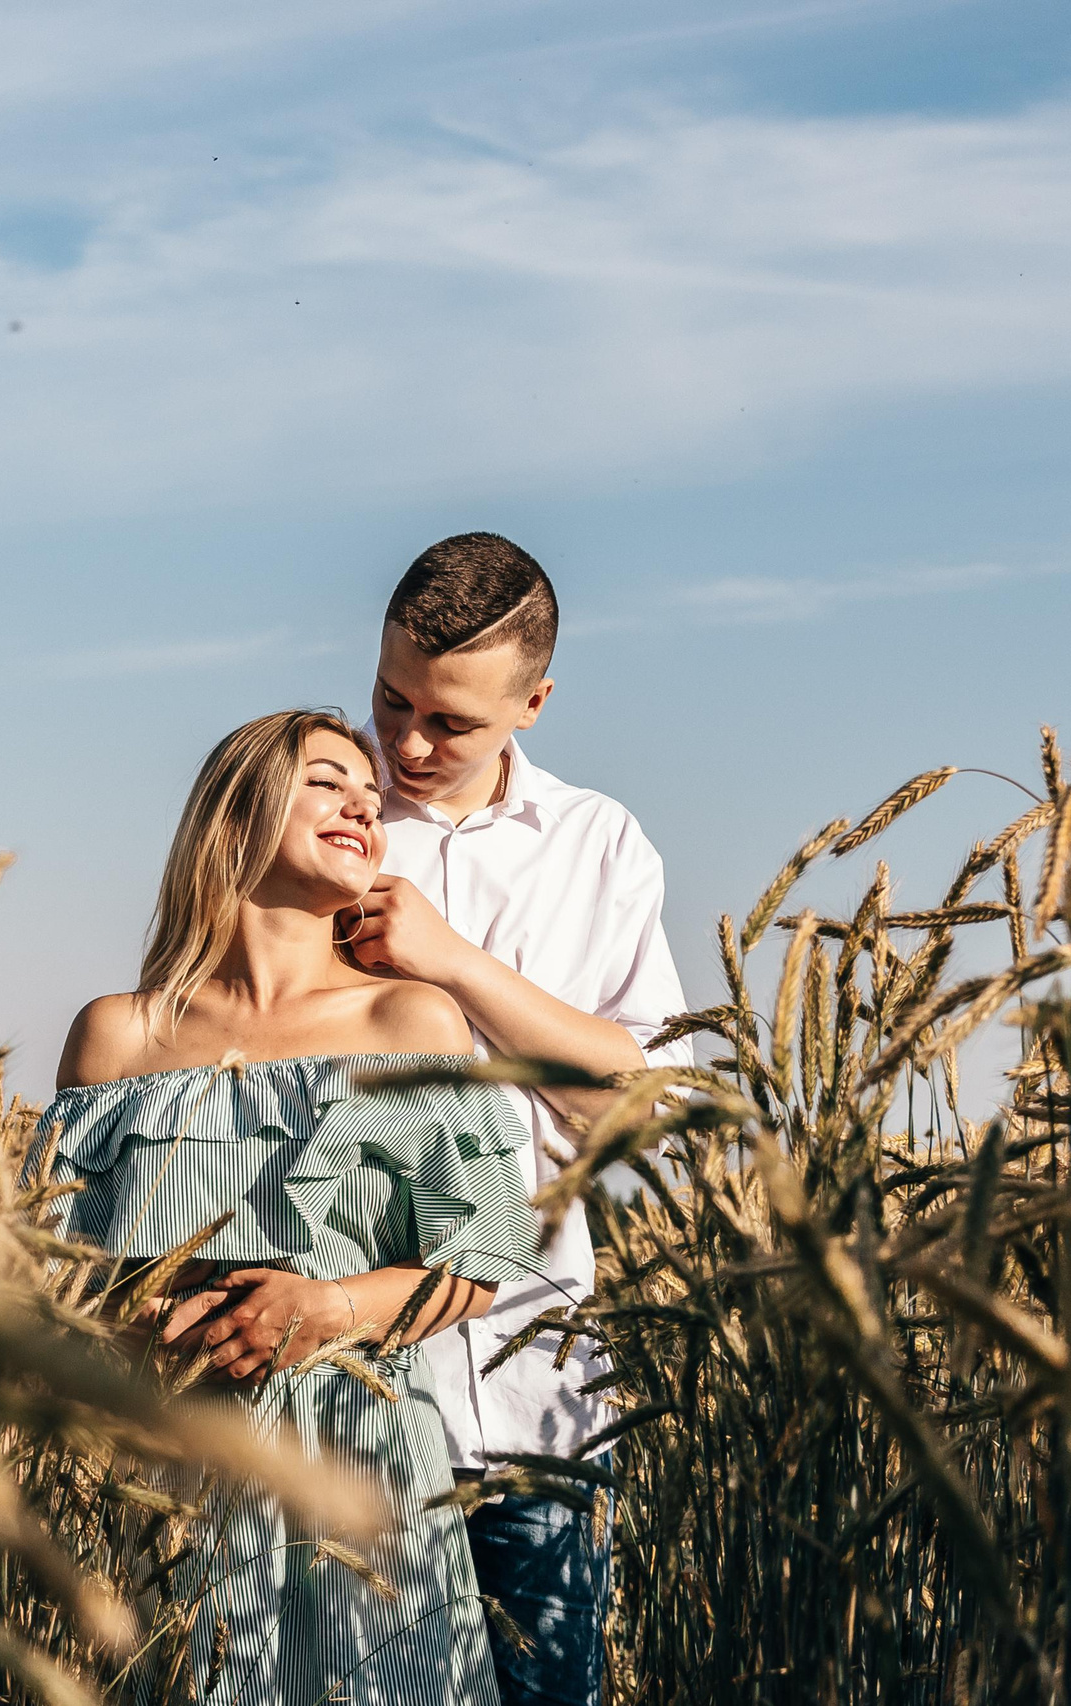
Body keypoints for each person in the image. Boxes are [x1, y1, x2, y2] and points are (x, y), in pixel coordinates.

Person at [35, 709, 542, 1706]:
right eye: (326, 780)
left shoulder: (412, 1019)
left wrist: (325, 1309)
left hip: (362, 1468)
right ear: (234, 816)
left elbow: (487, 1256)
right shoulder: (113, 1037)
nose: (364, 801)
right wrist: (127, 1321)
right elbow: (50, 1270)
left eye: (370, 793)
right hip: (169, 1478)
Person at [345, 533, 692, 1706]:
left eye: (450, 722)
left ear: (533, 703)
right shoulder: (319, 821)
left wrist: (449, 960)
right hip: (351, 1386)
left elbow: (640, 1105)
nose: (406, 743)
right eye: (391, 698)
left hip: (539, 1393)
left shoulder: (599, 846)